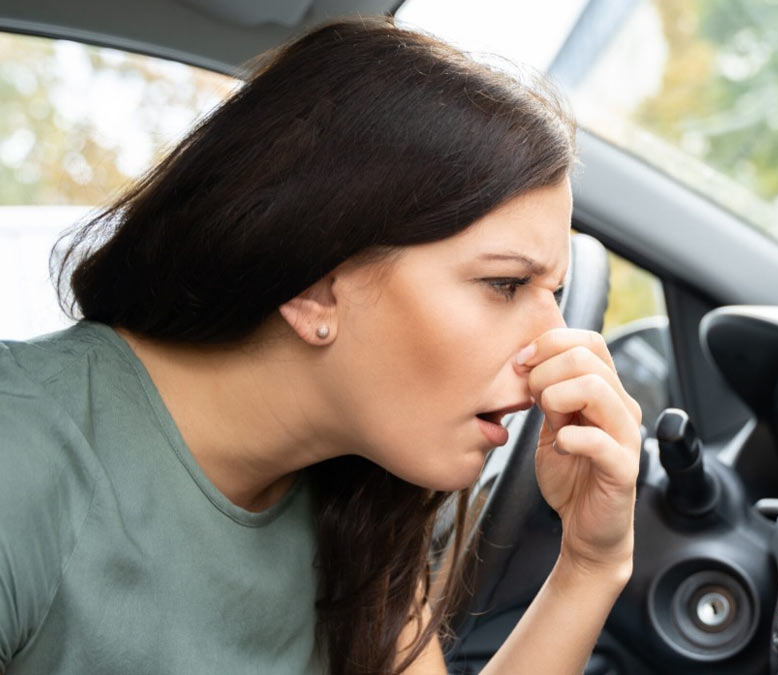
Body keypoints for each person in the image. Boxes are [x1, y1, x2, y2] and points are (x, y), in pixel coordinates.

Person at [0, 16, 641, 675]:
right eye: (504, 283)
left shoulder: (362, 499)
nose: (553, 345)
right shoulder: (19, 459)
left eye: (554, 292)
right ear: (315, 288)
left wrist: (590, 565)